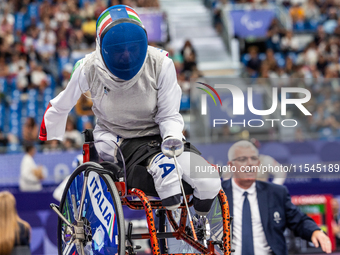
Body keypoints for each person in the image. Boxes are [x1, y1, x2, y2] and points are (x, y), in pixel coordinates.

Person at [39, 5, 220, 219]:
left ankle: (197, 225)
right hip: (115, 137)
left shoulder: (161, 64)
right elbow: (62, 103)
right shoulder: (88, 68)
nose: (126, 55)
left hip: (158, 136)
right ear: (102, 47)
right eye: (118, 49)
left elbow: (169, 115)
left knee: (208, 180)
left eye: (132, 48)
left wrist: (171, 139)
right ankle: (159, 164)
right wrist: (50, 131)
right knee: (168, 183)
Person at [221, 140, 332, 255]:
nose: (250, 164)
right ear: (231, 165)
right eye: (243, 159)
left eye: (254, 159)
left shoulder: (276, 193)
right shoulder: (217, 194)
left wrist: (315, 231)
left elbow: (299, 220)